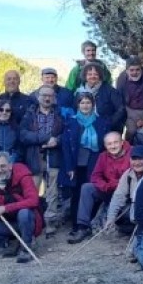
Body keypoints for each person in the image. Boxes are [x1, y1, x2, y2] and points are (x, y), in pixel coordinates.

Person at [60, 92, 113, 228]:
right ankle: (77, 224)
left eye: (88, 102)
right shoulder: (71, 121)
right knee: (77, 193)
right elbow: (65, 145)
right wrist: (69, 167)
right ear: (78, 104)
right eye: (82, 102)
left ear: (92, 104)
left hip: (95, 162)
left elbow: (106, 145)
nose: (85, 105)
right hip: (76, 162)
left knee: (92, 191)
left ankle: (90, 222)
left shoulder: (101, 122)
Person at [69, 131, 131, 243]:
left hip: (127, 193)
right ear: (105, 145)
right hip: (109, 191)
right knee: (87, 188)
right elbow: (95, 176)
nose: (113, 146)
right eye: (109, 144)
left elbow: (133, 176)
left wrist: (114, 185)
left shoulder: (132, 153)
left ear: (122, 142)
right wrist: (104, 186)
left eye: (116, 142)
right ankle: (82, 227)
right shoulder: (103, 156)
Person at [18, 85, 65, 224]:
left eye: (50, 95)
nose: (47, 98)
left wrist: (56, 141)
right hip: (34, 158)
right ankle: (33, 221)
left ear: (54, 98)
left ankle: (50, 221)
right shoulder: (29, 115)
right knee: (32, 192)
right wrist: (44, 139)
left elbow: (66, 134)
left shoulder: (60, 115)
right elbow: (23, 135)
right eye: (44, 95)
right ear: (38, 97)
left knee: (53, 193)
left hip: (54, 157)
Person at [103, 146, 143, 237]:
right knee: (114, 211)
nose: (137, 163)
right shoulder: (128, 174)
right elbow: (118, 196)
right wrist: (110, 219)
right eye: (134, 159)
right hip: (133, 209)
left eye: (140, 159)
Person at [74, 63, 127, 133]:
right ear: (85, 76)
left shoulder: (110, 90)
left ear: (100, 76)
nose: (93, 76)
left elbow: (121, 109)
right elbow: (75, 110)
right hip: (85, 128)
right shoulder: (79, 92)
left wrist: (109, 123)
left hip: (107, 128)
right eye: (89, 74)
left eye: (96, 74)